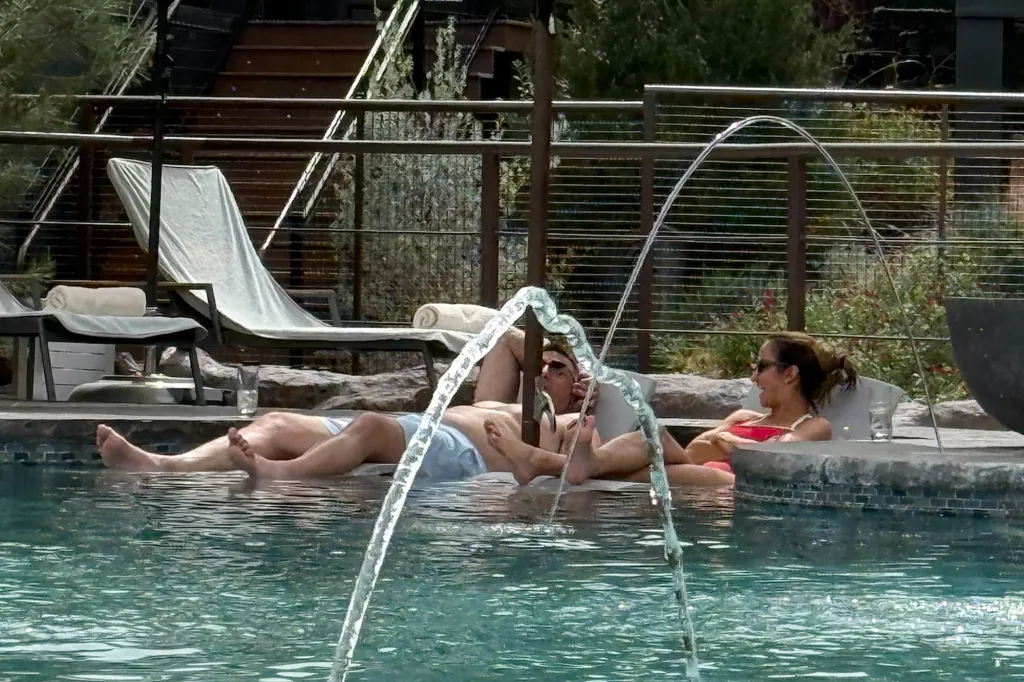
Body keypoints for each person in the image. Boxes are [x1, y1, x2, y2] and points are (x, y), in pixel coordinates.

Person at [96, 329, 598, 480]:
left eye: (559, 371)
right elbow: (508, 341)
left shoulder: (566, 418)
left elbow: (586, 461)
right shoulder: (497, 400)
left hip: (459, 451)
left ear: (575, 387)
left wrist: (588, 388)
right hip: (418, 427)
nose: (546, 373)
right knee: (276, 421)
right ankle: (164, 465)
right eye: (543, 365)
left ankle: (280, 476)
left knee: (371, 426)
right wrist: (566, 350)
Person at [485, 332, 857, 488]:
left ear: (790, 374)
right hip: (697, 470)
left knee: (645, 453)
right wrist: (725, 440)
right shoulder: (745, 419)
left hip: (735, 488)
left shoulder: (815, 426)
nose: (753, 375)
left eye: (761, 366)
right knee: (652, 435)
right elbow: (700, 449)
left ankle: (550, 463)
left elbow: (768, 459)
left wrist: (723, 442)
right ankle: (569, 464)